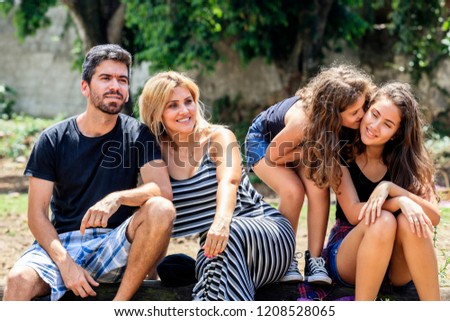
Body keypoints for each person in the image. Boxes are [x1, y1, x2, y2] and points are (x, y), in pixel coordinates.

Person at [2, 44, 175, 301]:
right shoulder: (53, 139)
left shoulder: (139, 135)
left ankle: (116, 309)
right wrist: (66, 265)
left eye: (122, 80)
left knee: (161, 208)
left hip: (115, 243)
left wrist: (117, 198)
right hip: (63, 242)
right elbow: (36, 215)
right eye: (105, 78)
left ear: (127, 93)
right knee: (18, 280)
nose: (115, 86)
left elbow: (162, 191)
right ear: (85, 87)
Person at [138, 71, 296, 300]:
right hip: (217, 249)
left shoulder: (220, 137)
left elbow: (229, 181)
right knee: (197, 265)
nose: (185, 111)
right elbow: (160, 214)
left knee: (222, 244)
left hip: (267, 236)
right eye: (173, 105)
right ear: (156, 112)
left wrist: (222, 222)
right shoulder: (153, 153)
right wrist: (150, 279)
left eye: (188, 101)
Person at [245, 64, 375, 283]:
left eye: (363, 107)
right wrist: (311, 150)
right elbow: (273, 157)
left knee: (318, 187)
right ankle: (283, 260)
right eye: (355, 113)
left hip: (307, 145)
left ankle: (315, 260)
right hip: (265, 144)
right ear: (334, 113)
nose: (362, 115)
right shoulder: (302, 122)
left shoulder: (331, 121)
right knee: (293, 191)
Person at [323, 82, 441, 300]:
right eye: (374, 114)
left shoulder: (411, 163)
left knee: (409, 221)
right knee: (384, 220)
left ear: (396, 133)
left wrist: (392, 189)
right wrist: (396, 204)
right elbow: (352, 213)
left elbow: (433, 216)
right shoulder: (341, 152)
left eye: (387, 124)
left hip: (395, 263)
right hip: (349, 250)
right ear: (366, 110)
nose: (375, 126)